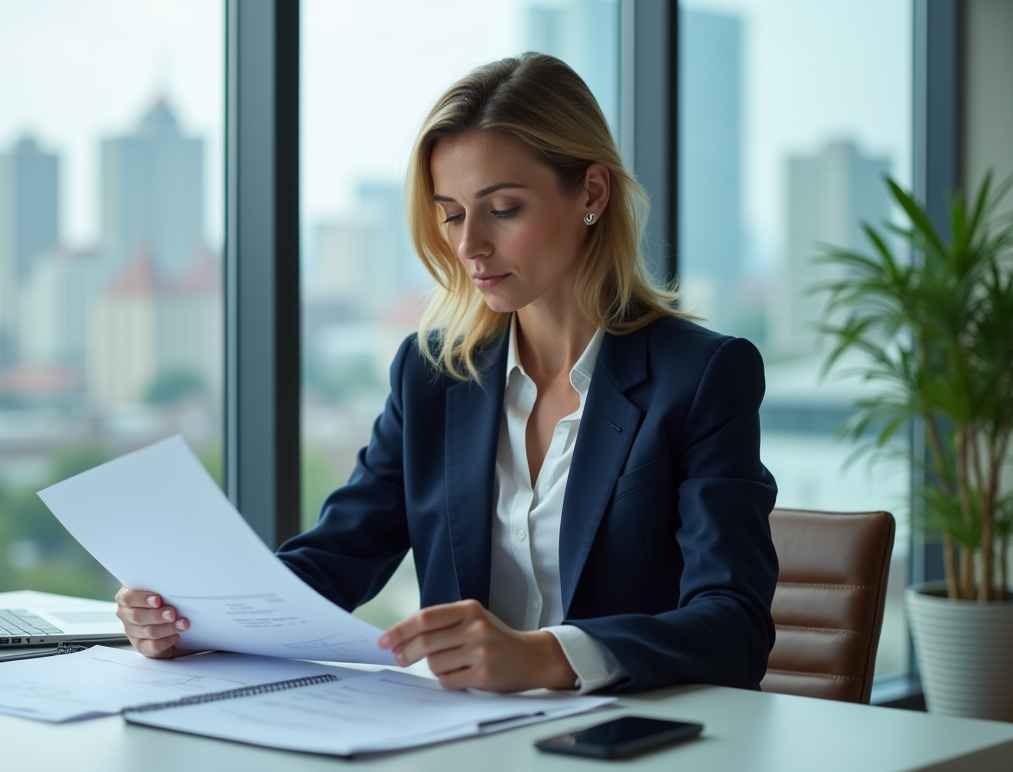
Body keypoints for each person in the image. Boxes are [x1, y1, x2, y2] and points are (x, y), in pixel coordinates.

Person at [115, 52, 779, 694]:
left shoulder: (701, 376)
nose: (469, 247)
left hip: (622, 744)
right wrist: (198, 618)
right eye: (453, 214)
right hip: (461, 743)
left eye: (504, 208)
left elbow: (734, 626)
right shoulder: (433, 376)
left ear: (592, 193)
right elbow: (338, 556)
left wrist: (545, 656)